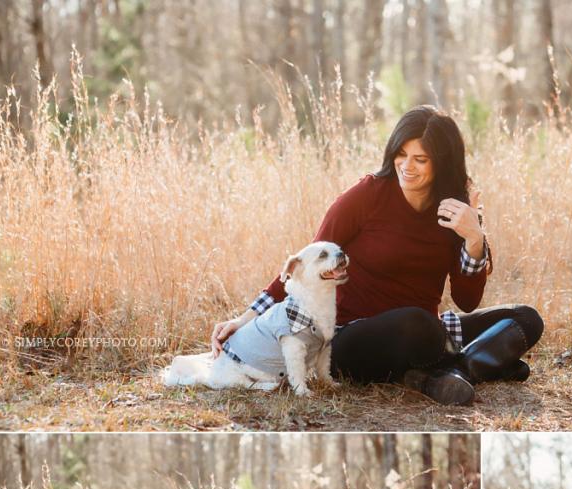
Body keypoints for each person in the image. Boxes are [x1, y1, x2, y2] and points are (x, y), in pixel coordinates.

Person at [210, 105, 544, 405]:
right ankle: (474, 362)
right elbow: (306, 268)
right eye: (401, 154)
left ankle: (454, 370)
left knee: (526, 319)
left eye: (420, 159)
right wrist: (244, 320)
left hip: (425, 334)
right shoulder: (367, 195)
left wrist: (474, 237)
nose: (406, 167)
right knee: (419, 324)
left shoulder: (455, 208)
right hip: (349, 339)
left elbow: (467, 301)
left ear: (442, 163)